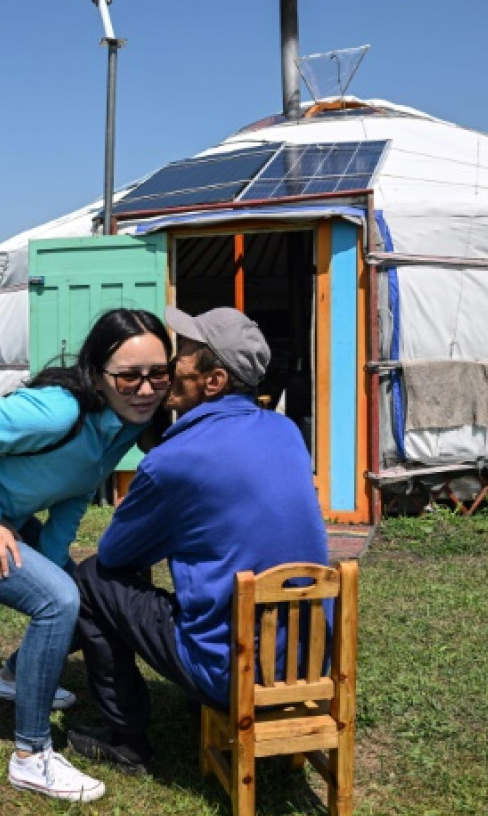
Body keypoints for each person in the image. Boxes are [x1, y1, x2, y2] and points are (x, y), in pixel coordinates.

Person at [0, 308, 174, 802]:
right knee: (57, 601)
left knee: (81, 593)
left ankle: (14, 675)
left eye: (158, 374)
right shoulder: (58, 410)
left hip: (10, 521)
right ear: (98, 373)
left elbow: (74, 495)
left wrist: (54, 562)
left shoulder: (120, 427)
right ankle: (31, 756)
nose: (146, 388)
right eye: (129, 376)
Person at [64, 306, 330, 773]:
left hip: (232, 672)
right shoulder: (286, 432)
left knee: (92, 579)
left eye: (185, 352)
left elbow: (116, 554)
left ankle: (128, 742)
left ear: (214, 381)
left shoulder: (176, 460)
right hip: (306, 662)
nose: (171, 362)